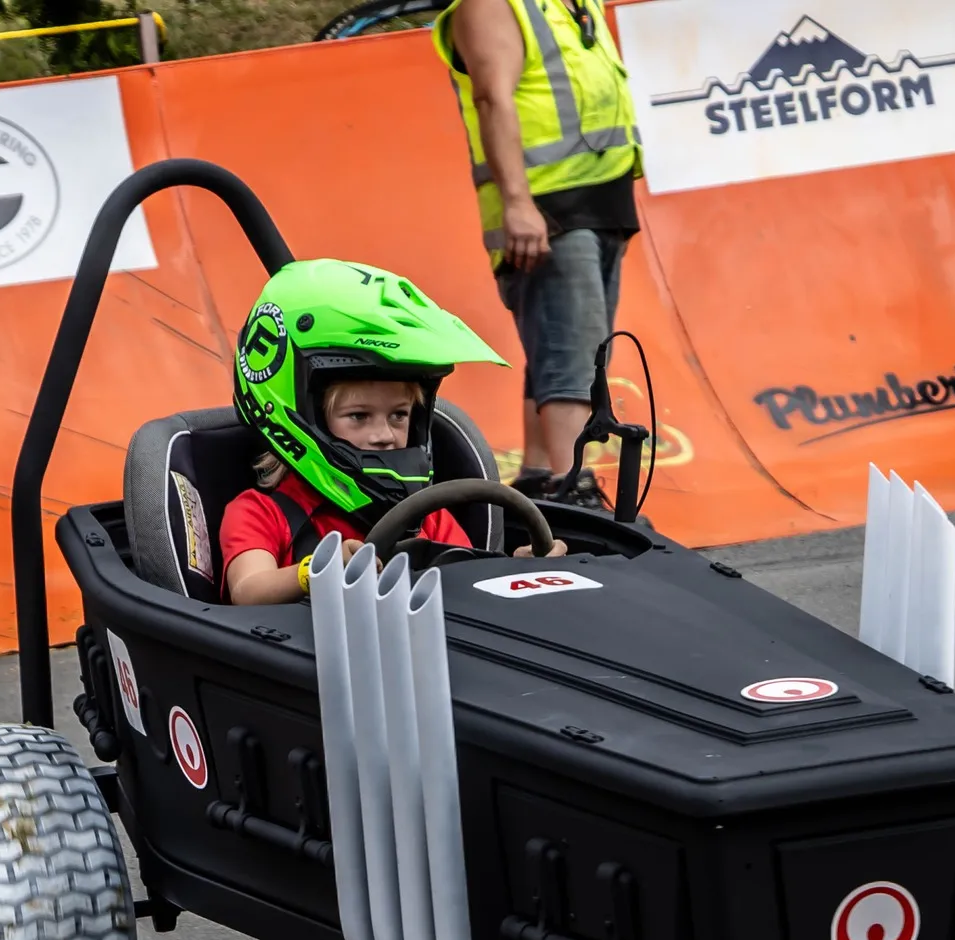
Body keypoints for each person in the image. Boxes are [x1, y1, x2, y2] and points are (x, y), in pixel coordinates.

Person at [222, 258, 566, 606]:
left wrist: (516, 571)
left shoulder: (425, 513)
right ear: (306, 417)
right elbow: (248, 591)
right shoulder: (260, 512)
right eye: (359, 416)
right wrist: (318, 570)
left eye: (399, 415)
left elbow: (469, 587)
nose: (384, 434)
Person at [432, 0, 641, 509]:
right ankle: (574, 489)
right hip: (546, 206)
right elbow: (491, 98)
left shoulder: (571, 5)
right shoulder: (490, 6)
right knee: (571, 355)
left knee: (568, 347)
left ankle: (540, 478)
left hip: (600, 197)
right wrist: (518, 203)